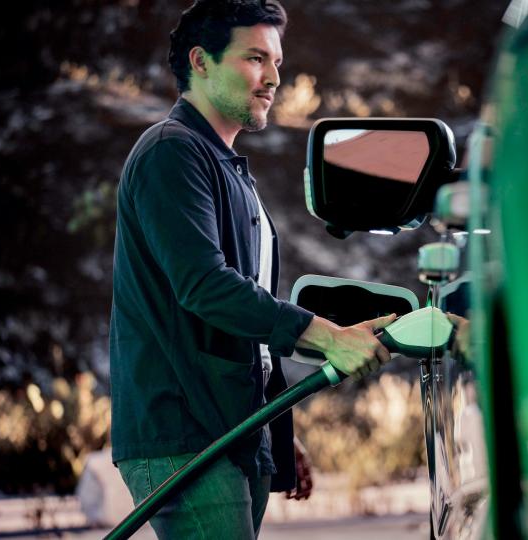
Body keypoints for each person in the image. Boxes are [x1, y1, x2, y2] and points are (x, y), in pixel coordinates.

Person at [108, 0, 395, 537]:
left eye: (277, 62)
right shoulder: (171, 153)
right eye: (255, 59)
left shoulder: (226, 168)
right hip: (184, 433)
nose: (272, 78)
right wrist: (328, 337)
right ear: (200, 61)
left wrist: (275, 433)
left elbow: (246, 333)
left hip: (232, 430)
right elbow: (206, 287)